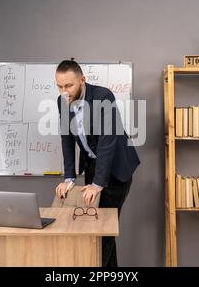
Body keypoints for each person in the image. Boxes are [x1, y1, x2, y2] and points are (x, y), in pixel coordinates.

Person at [54, 60, 140, 267]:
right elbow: (66, 138)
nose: (64, 91)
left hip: (116, 168)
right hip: (94, 166)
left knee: (102, 231)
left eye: (68, 85)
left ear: (82, 80)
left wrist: (98, 184)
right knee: (96, 230)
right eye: (59, 86)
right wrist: (69, 178)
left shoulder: (103, 96)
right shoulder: (62, 101)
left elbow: (107, 141)